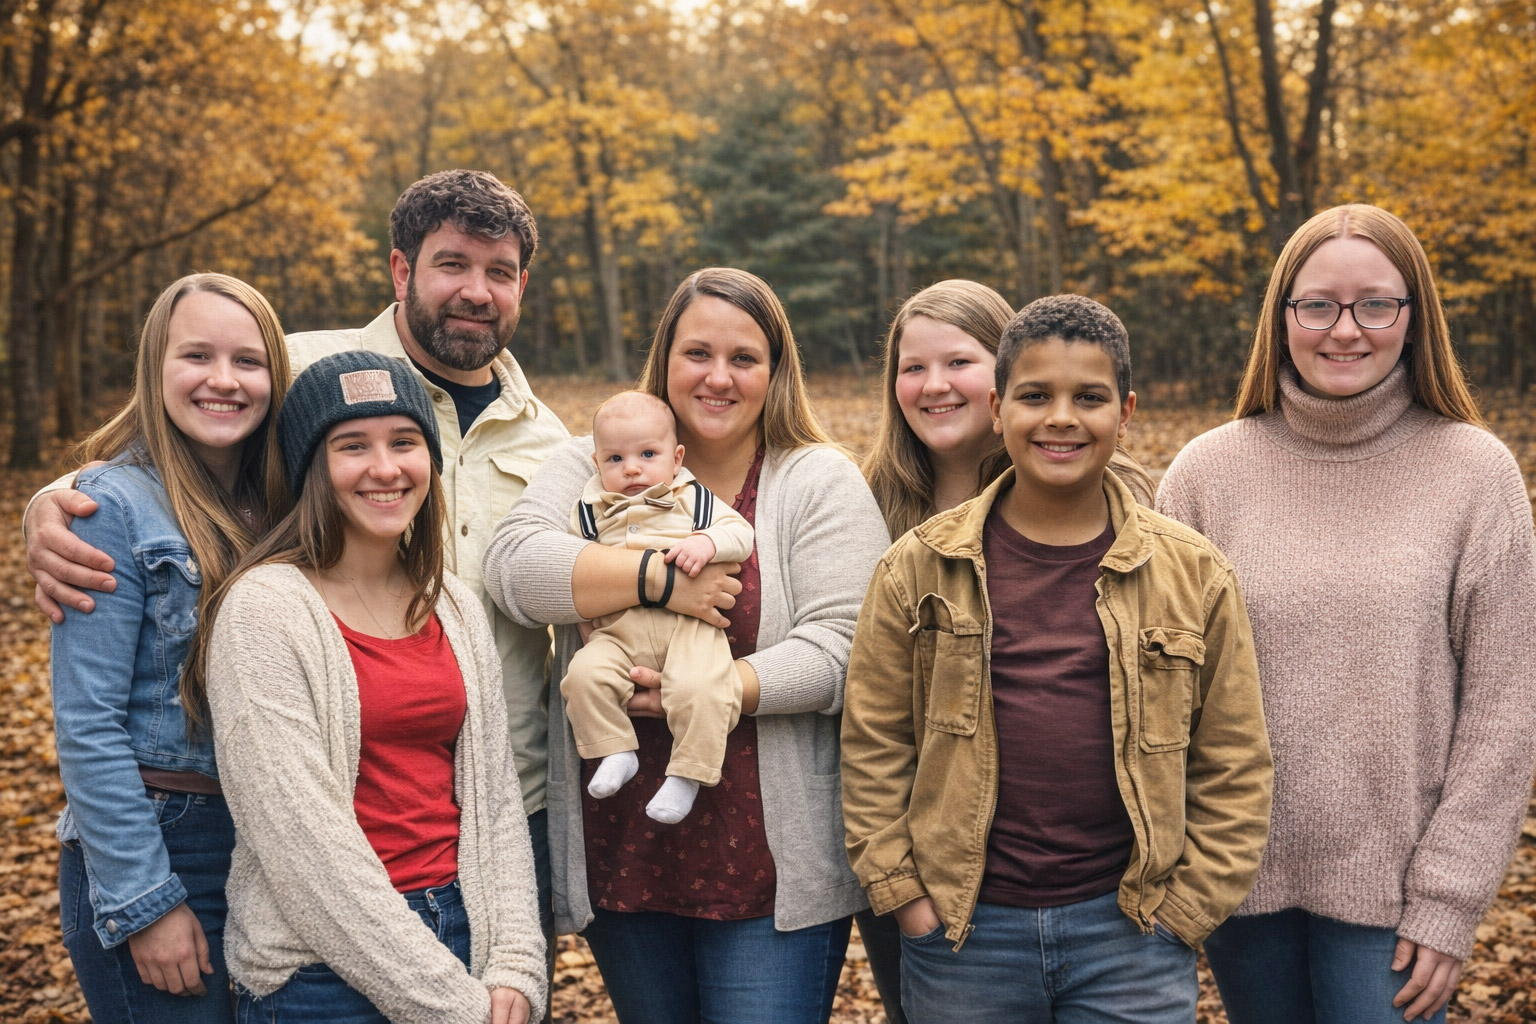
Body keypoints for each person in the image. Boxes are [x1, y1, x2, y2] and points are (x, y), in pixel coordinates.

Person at [25, 169, 570, 991]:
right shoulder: (297, 378)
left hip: (495, 812)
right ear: (400, 270)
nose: (476, 291)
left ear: (522, 284)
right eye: (452, 264)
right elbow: (179, 437)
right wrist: (56, 504)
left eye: (499, 272)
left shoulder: (555, 441)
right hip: (301, 816)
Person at [842, 294, 1273, 1023]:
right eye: (1036, 396)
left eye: (1090, 398)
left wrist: (1184, 914)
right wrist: (909, 899)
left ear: (1126, 411)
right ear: (997, 407)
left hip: (1130, 937)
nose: (1062, 417)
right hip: (964, 936)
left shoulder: (1194, 575)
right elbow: (874, 744)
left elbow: (1234, 761)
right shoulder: (917, 568)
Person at [1156, 203, 1536, 1024]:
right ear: (1282, 316)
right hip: (1235, 883)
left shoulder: (1475, 475)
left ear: (1414, 316)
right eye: (1318, 305)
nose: (1345, 330)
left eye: (1376, 304)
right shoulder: (1205, 474)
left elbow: (1505, 711)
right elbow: (1159, 687)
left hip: (1397, 900)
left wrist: (1451, 896)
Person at [482, 267, 890, 1023]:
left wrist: (714, 689)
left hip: (768, 864)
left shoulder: (814, 481)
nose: (719, 377)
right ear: (666, 358)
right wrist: (657, 582)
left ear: (776, 373)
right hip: (626, 844)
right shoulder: (600, 459)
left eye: (745, 358)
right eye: (698, 352)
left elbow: (844, 651)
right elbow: (512, 569)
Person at [198, 351, 545, 1024]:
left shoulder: (452, 605)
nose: (385, 468)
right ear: (310, 468)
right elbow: (301, 844)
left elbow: (495, 799)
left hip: (467, 933)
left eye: (405, 442)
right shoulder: (264, 609)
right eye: (352, 446)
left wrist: (515, 963)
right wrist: (448, 1003)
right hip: (319, 973)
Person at [856, 279, 1157, 1022]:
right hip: (924, 877)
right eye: (910, 366)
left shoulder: (1115, 512)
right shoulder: (866, 511)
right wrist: (907, 896)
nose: (931, 387)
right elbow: (868, 720)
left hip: (1094, 900)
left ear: (1002, 380)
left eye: (957, 362)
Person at [49, 272, 290, 1023]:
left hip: (267, 845)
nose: (224, 380)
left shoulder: (283, 503)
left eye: (248, 361)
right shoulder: (108, 509)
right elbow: (86, 726)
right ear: (155, 368)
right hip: (161, 838)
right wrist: (146, 903)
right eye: (197, 357)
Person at [565, 390, 755, 824]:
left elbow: (739, 532)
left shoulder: (693, 498)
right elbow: (570, 566)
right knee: (584, 675)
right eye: (615, 459)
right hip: (619, 631)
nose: (631, 468)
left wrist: (707, 541)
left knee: (703, 689)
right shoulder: (589, 512)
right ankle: (614, 749)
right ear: (596, 464)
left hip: (689, 629)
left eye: (647, 454)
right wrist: (583, 619)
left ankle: (688, 774)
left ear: (676, 457)